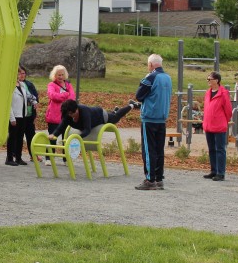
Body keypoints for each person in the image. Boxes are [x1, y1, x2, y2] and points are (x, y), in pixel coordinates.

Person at [134, 54, 172, 190]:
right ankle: (159, 178)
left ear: (150, 64)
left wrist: (143, 79)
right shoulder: (168, 78)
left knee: (148, 149)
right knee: (159, 149)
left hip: (149, 117)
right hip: (162, 118)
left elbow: (139, 96)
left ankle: (150, 180)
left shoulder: (151, 77)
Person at [50, 99, 134, 140]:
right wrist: (53, 135)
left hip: (100, 115)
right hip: (94, 115)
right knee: (113, 115)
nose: (71, 115)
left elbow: (87, 129)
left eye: (72, 113)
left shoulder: (84, 112)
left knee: (115, 118)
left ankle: (131, 105)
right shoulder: (67, 115)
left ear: (76, 109)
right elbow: (61, 126)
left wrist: (77, 137)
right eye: (69, 114)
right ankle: (114, 111)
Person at [202, 72, 233, 181]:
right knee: (211, 149)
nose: (208, 81)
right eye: (208, 79)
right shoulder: (207, 93)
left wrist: (224, 120)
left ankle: (221, 172)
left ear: (216, 80)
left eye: (210, 79)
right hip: (208, 124)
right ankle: (213, 170)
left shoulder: (224, 93)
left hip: (219, 125)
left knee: (220, 149)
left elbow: (228, 110)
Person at [7, 66, 37, 165]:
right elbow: (8, 104)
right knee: (12, 137)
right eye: (18, 73)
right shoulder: (10, 86)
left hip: (23, 114)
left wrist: (34, 101)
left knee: (20, 137)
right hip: (14, 115)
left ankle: (18, 157)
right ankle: (9, 158)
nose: (20, 75)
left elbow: (29, 95)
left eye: (21, 73)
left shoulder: (22, 85)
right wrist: (12, 118)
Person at [45, 65, 76, 138]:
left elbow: (72, 97)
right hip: (54, 117)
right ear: (55, 75)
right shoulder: (51, 85)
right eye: (59, 75)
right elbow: (52, 96)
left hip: (66, 116)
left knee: (66, 139)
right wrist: (65, 95)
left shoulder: (68, 85)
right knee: (52, 139)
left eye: (62, 75)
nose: (61, 77)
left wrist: (61, 96)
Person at [20, 68, 41, 161]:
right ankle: (16, 155)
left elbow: (35, 97)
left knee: (31, 135)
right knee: (18, 136)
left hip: (30, 113)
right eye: (20, 73)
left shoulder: (29, 84)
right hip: (19, 114)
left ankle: (33, 154)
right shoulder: (14, 84)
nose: (22, 75)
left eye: (24, 73)